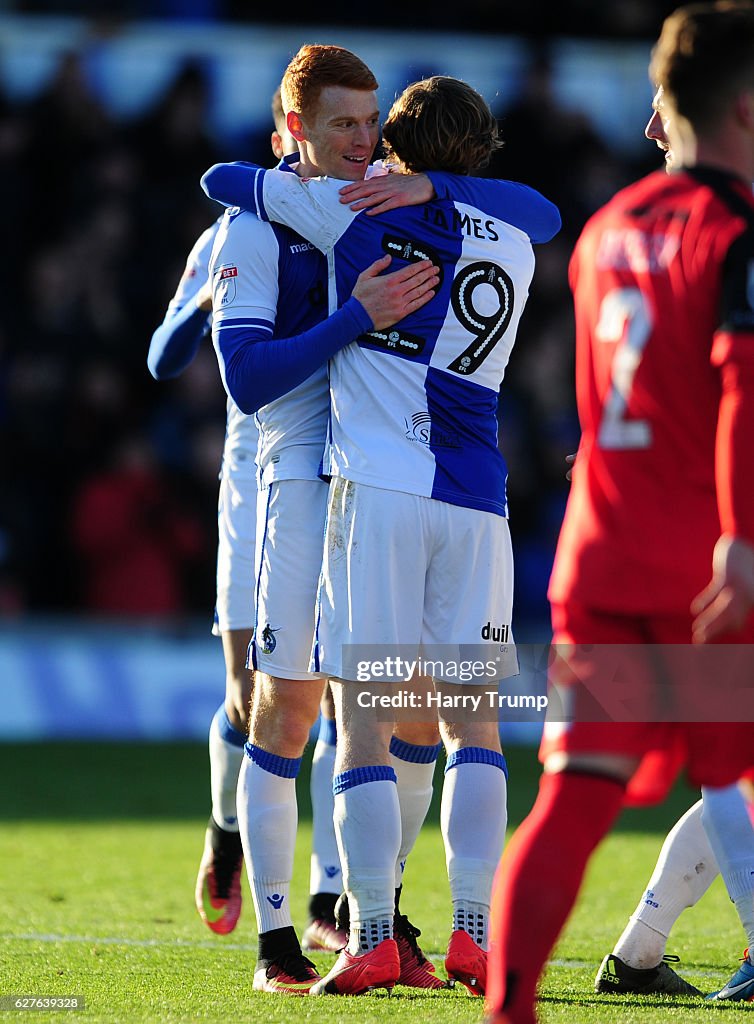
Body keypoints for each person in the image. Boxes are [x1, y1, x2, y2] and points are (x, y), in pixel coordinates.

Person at [202, 73, 560, 996]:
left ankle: (366, 936)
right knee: (473, 728)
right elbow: (549, 209)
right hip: (481, 500)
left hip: (383, 492)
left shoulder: (354, 217)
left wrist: (390, 193)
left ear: (397, 152)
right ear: (478, 153)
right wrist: (443, 187)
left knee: (361, 725)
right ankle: (475, 935)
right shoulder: (516, 240)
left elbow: (220, 181)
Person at [485, 4, 754, 1021]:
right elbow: (743, 391)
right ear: (741, 105)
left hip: (598, 554)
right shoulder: (734, 236)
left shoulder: (606, 229)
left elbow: (603, 401)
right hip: (708, 561)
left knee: (575, 797)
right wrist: (741, 538)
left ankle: (509, 1010)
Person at [146, 85, 434, 957]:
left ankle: (325, 899)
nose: (362, 141)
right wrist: (203, 304)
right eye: (341, 124)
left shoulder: (363, 200)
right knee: (258, 694)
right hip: (258, 475)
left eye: (368, 126)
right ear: (289, 136)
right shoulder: (239, 226)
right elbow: (165, 359)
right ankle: (226, 829)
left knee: (344, 696)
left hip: (348, 465)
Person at [593, 83, 754, 1000]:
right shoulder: (707, 221)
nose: (650, 125)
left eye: (663, 103)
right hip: (717, 521)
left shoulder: (685, 220)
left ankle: (641, 953)